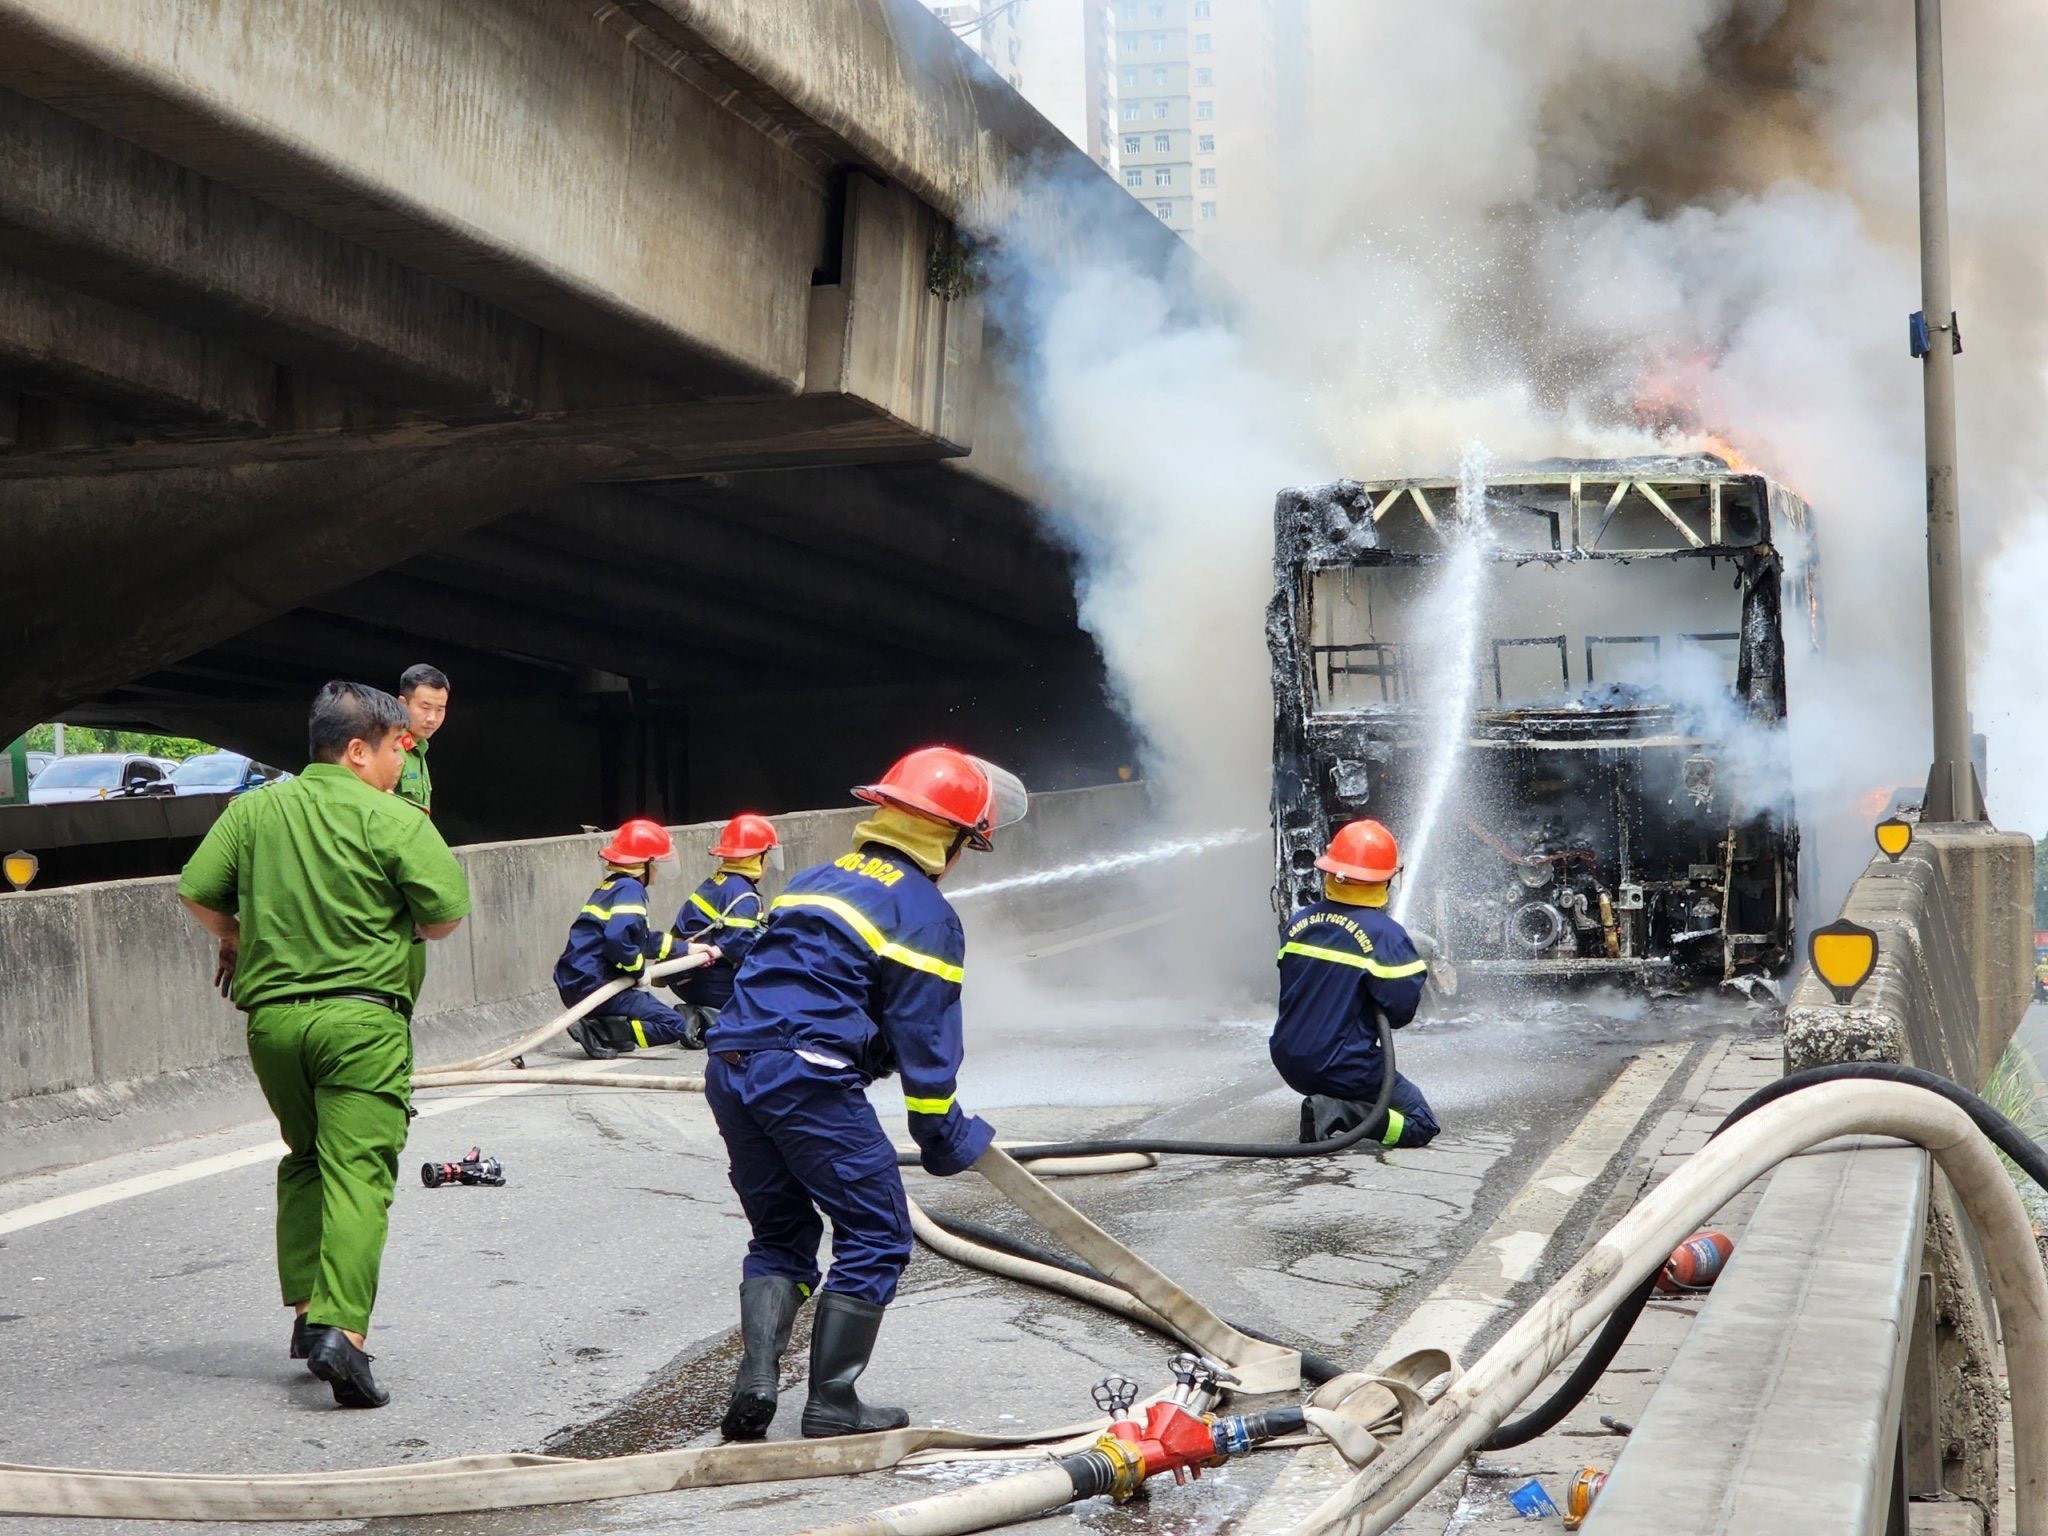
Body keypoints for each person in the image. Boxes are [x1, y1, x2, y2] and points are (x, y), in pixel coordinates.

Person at [706, 747, 1026, 1442]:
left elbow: (809, 981)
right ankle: (831, 1403)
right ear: (947, 839)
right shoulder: (926, 912)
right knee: (877, 1232)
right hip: (806, 1075)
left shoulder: (817, 880)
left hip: (732, 1064)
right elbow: (926, 1042)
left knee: (781, 1234)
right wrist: (948, 1139)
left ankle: (757, 1379)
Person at [176, 681, 471, 1409]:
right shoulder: (393, 817)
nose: (404, 765)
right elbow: (443, 917)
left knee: (305, 1159)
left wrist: (237, 934)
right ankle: (345, 1334)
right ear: (357, 749)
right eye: (399, 750)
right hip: (361, 1025)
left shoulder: (252, 811)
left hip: (273, 1028)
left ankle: (308, 1317)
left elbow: (196, 892)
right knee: (360, 1174)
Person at [1269, 818, 1439, 1150]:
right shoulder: (1386, 936)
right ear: (1384, 881)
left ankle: (1332, 1104)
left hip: (1288, 1058)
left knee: (1342, 1073)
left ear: (1330, 873)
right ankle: (1341, 1113)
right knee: (1420, 1124)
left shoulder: (1299, 922)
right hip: (1343, 1065)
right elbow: (1401, 1012)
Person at [556, 819, 707, 1058]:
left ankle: (609, 1030)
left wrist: (685, 950)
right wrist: (638, 973)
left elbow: (640, 939)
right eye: (655, 864)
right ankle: (602, 1031)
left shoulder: (613, 887)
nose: (657, 870)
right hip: (598, 985)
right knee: (673, 1025)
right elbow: (618, 940)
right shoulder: (631, 890)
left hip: (578, 981)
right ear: (644, 864)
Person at [667, 813, 779, 1048]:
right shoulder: (744, 895)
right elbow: (738, 946)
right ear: (758, 857)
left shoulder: (718, 881)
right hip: (707, 981)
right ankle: (706, 1017)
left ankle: (702, 1012)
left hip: (685, 977)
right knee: (774, 1002)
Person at [394, 664, 448, 813]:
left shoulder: (419, 747)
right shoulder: (390, 747)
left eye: (440, 709)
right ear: (403, 704)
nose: (432, 718)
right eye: (425, 707)